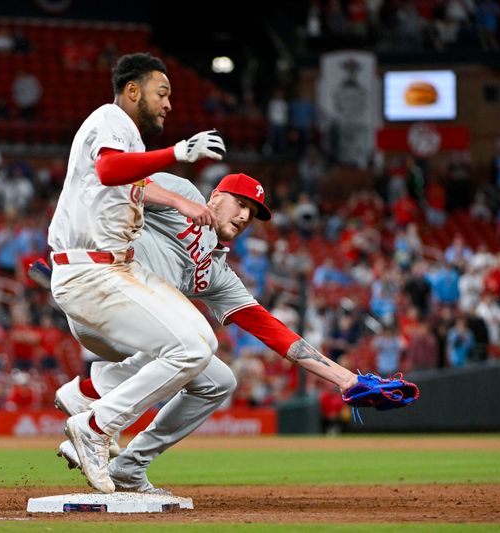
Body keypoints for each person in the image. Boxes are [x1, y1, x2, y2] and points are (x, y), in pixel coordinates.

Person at [34, 172, 360, 494]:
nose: (246, 215)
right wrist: (73, 260)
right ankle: (93, 404)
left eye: (253, 212)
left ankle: (128, 466)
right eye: (241, 203)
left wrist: (347, 379)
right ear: (216, 196)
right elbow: (121, 183)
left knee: (218, 381)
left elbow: (273, 331)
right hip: (105, 297)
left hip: (134, 328)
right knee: (190, 341)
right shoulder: (182, 193)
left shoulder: (217, 273)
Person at [47, 52, 227, 494]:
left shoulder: (128, 137)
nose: (168, 104)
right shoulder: (110, 117)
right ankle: (95, 424)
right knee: (189, 345)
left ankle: (88, 395)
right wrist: (178, 153)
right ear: (132, 91)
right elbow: (109, 170)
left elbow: (129, 180)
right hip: (91, 275)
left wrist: (180, 201)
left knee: (202, 345)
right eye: (161, 93)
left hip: (116, 269)